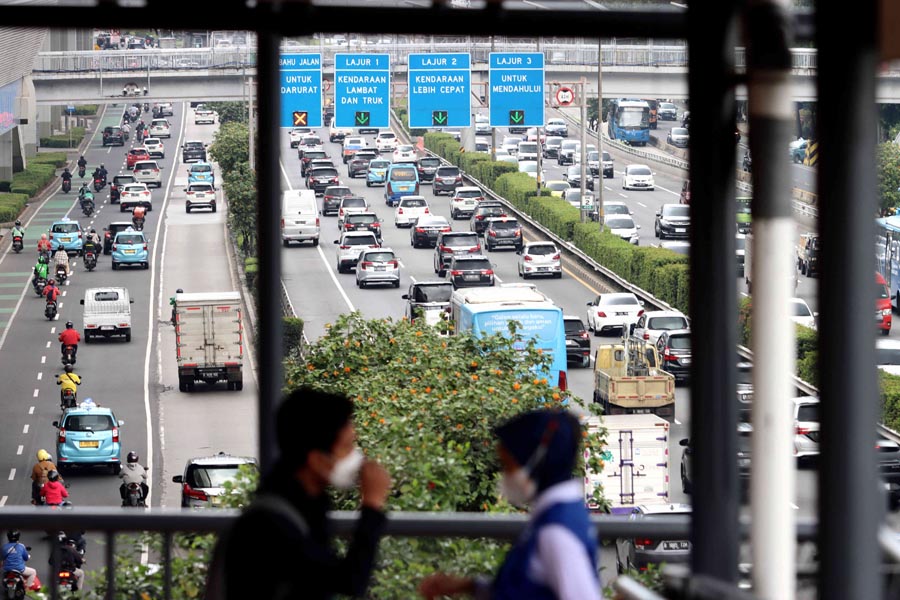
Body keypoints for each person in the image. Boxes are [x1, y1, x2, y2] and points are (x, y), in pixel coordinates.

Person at [220, 387, 392, 600]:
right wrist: (372, 505)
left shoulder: (300, 506)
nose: (356, 457)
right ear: (316, 460)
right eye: (347, 447)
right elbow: (347, 580)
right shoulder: (272, 526)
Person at [418, 409, 601, 600]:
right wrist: (468, 586)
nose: (505, 475)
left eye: (507, 465)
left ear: (536, 462)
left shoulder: (556, 530)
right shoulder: (555, 516)